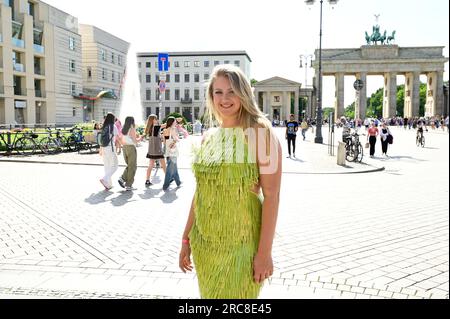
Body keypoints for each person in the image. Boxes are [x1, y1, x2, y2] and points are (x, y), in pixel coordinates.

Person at [179, 65, 282, 299]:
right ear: (211, 96)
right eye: (218, 92)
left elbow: (272, 197)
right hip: (205, 246)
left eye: (231, 91)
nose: (225, 99)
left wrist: (264, 253)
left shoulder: (260, 133)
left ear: (243, 93)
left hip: (242, 246)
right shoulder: (208, 137)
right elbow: (200, 193)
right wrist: (186, 238)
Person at [118, 117, 142, 191]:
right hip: (131, 148)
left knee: (130, 165)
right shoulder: (132, 128)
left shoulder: (123, 129)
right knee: (133, 166)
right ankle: (128, 185)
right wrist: (141, 137)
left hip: (125, 147)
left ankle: (123, 178)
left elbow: (120, 139)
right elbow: (135, 141)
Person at [99, 113, 121, 191]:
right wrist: (120, 147)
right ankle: (104, 179)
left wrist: (100, 149)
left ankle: (108, 184)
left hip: (104, 148)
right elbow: (118, 138)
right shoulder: (113, 126)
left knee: (107, 166)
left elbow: (101, 139)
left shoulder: (104, 126)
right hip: (110, 148)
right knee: (115, 166)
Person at [144, 114, 166, 186]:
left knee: (150, 165)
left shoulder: (149, 128)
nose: (157, 120)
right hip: (157, 150)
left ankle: (147, 180)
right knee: (163, 165)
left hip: (151, 150)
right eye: (156, 119)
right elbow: (165, 125)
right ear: (153, 120)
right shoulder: (156, 127)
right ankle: (168, 178)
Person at [162, 117, 182, 191]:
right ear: (172, 122)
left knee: (173, 165)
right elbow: (176, 139)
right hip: (172, 149)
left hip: (167, 149)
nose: (175, 123)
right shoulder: (172, 129)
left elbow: (164, 141)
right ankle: (165, 184)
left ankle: (178, 182)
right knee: (170, 167)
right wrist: (177, 138)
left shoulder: (164, 130)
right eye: (174, 121)